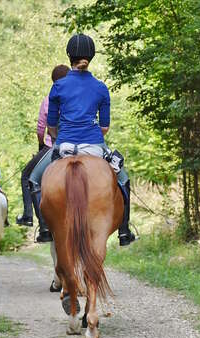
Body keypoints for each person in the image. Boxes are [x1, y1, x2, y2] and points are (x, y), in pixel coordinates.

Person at [29, 33, 135, 246]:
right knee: (123, 180)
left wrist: (59, 138)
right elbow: (104, 127)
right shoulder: (100, 88)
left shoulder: (58, 86)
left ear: (70, 56)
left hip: (64, 144)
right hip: (95, 145)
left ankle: (46, 227)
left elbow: (51, 125)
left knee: (33, 179)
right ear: (92, 56)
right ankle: (124, 231)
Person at [16, 64, 70, 243]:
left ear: (53, 81)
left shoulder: (49, 99)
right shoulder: (76, 97)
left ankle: (36, 221)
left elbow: (41, 128)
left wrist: (42, 144)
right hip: (84, 143)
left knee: (28, 177)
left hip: (53, 146)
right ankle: (123, 227)